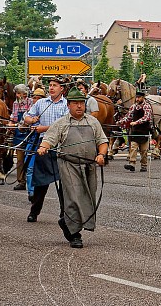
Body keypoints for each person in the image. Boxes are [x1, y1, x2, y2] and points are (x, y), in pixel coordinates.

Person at [36, 88, 108, 248]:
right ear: (68, 105)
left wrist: (101, 155)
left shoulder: (93, 122)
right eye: (75, 103)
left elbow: (102, 141)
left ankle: (66, 222)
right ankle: (74, 233)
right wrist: (44, 147)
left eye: (81, 103)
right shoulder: (62, 123)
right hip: (68, 165)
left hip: (89, 166)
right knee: (73, 197)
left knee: (88, 196)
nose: (79, 106)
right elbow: (49, 138)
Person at [22, 78, 69, 222]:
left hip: (61, 145)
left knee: (64, 184)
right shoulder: (41, 103)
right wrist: (30, 120)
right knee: (40, 182)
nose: (52, 88)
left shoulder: (67, 105)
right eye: (50, 85)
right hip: (43, 145)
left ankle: (64, 213)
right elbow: (26, 116)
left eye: (55, 85)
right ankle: (34, 212)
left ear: (62, 89)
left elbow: (65, 125)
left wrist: (43, 128)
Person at [116, 91, 152, 172]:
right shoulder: (133, 107)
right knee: (133, 147)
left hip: (144, 131)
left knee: (144, 150)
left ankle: (144, 165)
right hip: (135, 131)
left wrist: (136, 122)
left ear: (143, 98)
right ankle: (132, 163)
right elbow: (128, 117)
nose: (137, 99)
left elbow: (146, 117)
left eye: (139, 97)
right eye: (137, 97)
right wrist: (120, 122)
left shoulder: (147, 106)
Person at [9, 84, 34, 191]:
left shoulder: (31, 102)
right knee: (19, 160)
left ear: (25, 94)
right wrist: (10, 123)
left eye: (19, 93)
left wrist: (22, 124)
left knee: (30, 159)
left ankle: (32, 182)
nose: (17, 95)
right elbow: (14, 116)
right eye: (16, 93)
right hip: (18, 135)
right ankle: (21, 181)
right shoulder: (15, 103)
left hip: (30, 134)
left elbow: (30, 116)